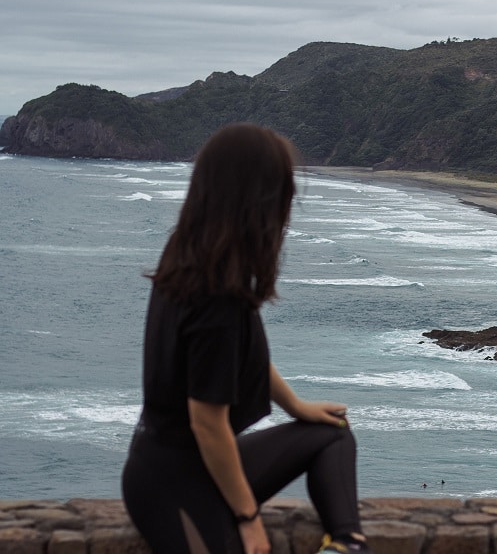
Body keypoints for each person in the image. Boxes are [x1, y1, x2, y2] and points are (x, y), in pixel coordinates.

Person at [121, 123, 371, 554]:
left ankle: (347, 544)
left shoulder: (192, 253)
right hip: (172, 484)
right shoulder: (215, 298)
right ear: (259, 200)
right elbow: (208, 424)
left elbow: (240, 354)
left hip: (188, 463)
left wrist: (295, 406)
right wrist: (248, 518)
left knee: (332, 430)